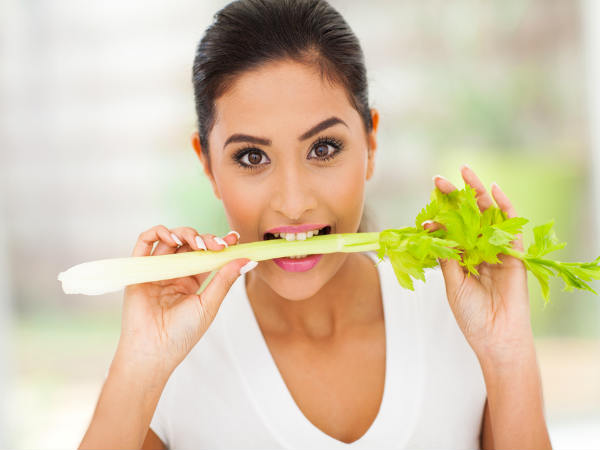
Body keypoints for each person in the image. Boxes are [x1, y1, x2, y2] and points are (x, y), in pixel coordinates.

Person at [78, 0, 552, 448]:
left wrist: (507, 351)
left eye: (323, 149)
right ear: (208, 167)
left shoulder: (459, 322)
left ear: (370, 144)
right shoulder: (169, 367)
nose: (293, 203)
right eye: (252, 157)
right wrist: (140, 366)